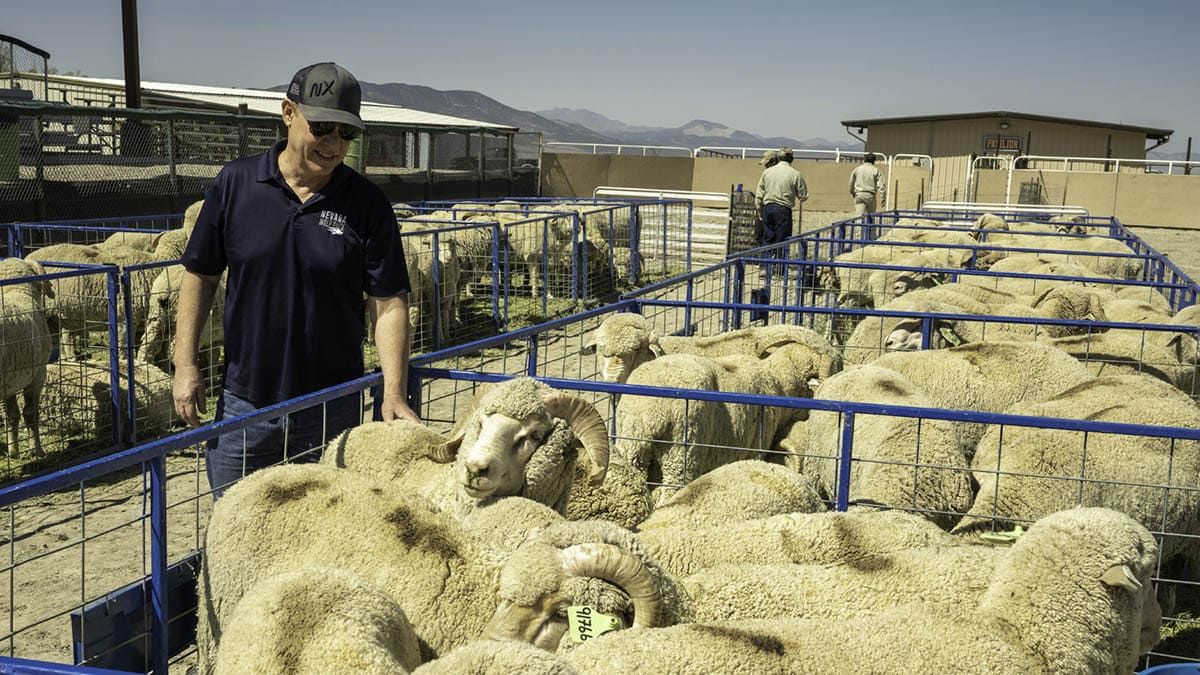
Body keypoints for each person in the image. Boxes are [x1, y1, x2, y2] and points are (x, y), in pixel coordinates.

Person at [173, 61, 420, 499]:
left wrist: (394, 392)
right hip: (245, 406)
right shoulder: (236, 184)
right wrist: (185, 364)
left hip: (332, 407)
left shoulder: (367, 204)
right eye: (323, 126)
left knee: (323, 540)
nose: (334, 143)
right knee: (235, 530)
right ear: (288, 112)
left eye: (347, 133)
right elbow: (201, 275)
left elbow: (388, 303)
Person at [754, 146, 808, 250]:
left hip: (768, 208)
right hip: (783, 210)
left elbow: (759, 195)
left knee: (767, 238)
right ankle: (779, 264)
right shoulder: (795, 174)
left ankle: (765, 263)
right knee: (782, 240)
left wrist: (760, 212)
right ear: (792, 159)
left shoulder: (767, 172)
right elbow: (803, 196)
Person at [849, 152, 885, 217]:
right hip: (870, 195)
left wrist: (853, 193)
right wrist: (883, 198)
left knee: (859, 217)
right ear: (874, 161)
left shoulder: (857, 169)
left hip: (859, 194)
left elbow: (851, 183)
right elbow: (881, 185)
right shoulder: (875, 170)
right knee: (871, 217)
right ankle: (871, 227)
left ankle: (859, 227)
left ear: (865, 159)